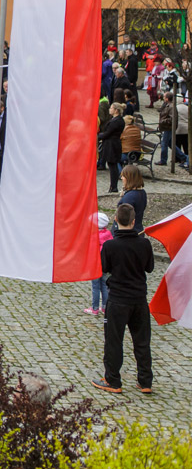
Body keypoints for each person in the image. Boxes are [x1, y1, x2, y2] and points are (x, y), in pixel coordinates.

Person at [93, 203, 154, 394]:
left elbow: (104, 268)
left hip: (118, 299)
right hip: (139, 299)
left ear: (116, 220)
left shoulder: (111, 246)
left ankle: (113, 380)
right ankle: (145, 381)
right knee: (142, 341)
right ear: (134, 221)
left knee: (114, 340)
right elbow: (150, 267)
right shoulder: (144, 243)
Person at [87, 213, 113, 315]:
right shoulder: (108, 235)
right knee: (104, 285)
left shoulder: (94, 237)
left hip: (95, 264)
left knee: (95, 286)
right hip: (104, 265)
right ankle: (105, 307)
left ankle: (95, 308)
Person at [99, 102, 125, 193]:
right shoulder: (114, 119)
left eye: (111, 108)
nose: (109, 109)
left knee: (113, 166)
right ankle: (112, 186)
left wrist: (98, 136)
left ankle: (114, 186)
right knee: (111, 165)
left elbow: (108, 133)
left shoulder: (117, 121)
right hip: (110, 144)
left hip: (112, 145)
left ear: (116, 110)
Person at [118, 164, 147, 230]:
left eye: (123, 176)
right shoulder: (142, 192)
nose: (122, 178)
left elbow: (125, 218)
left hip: (129, 232)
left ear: (129, 178)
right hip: (138, 228)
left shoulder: (129, 197)